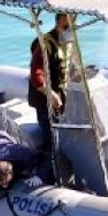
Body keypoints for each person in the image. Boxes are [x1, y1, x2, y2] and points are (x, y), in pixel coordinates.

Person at [27, 12, 74, 152]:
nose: (69, 29)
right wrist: (51, 95)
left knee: (63, 131)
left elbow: (69, 64)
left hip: (61, 93)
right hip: (45, 97)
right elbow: (36, 75)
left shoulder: (68, 41)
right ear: (59, 22)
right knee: (50, 134)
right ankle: (51, 157)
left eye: (72, 26)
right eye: (66, 26)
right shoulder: (45, 43)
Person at [0, 131, 47, 215]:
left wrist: (40, 176)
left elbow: (45, 157)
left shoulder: (21, 153)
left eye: (6, 182)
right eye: (2, 184)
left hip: (0, 137)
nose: (5, 186)